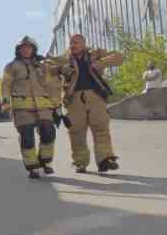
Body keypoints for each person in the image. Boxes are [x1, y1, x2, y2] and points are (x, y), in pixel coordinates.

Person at [47, 34, 124, 173]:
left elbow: (119, 57)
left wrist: (101, 63)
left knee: (101, 128)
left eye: (76, 42)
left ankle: (105, 160)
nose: (72, 45)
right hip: (74, 99)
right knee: (76, 132)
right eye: (71, 42)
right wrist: (59, 69)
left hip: (95, 96)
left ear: (83, 43)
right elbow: (45, 67)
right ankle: (80, 162)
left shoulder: (96, 53)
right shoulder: (64, 58)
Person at [2, 36, 61, 179]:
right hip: (22, 108)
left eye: (29, 47)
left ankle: (44, 161)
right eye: (23, 48)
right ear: (18, 50)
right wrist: (5, 102)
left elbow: (51, 86)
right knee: (27, 137)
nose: (26, 50)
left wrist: (56, 104)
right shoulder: (11, 66)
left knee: (49, 133)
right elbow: (5, 85)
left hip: (43, 106)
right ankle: (32, 167)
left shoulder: (42, 66)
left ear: (33, 49)